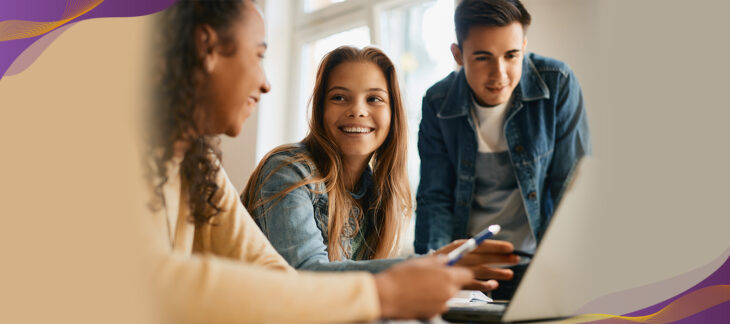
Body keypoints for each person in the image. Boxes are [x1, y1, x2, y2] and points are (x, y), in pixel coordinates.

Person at [144, 0, 476, 322]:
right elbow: (155, 281)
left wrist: (424, 272)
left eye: (374, 98)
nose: (266, 83)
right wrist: (384, 291)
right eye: (259, 55)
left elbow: (271, 272)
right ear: (207, 48)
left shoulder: (200, 165)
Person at [241, 46, 518, 291]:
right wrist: (428, 264)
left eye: (374, 99)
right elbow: (305, 275)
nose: (357, 111)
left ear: (392, 114)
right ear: (320, 109)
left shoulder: (379, 193)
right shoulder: (289, 171)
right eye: (339, 97)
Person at [414, 0, 591, 300]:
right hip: (470, 271)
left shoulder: (558, 83)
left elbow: (570, 188)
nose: (500, 75)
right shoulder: (437, 102)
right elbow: (435, 199)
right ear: (458, 55)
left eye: (512, 56)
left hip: (541, 267)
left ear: (523, 45)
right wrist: (438, 273)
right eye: (483, 58)